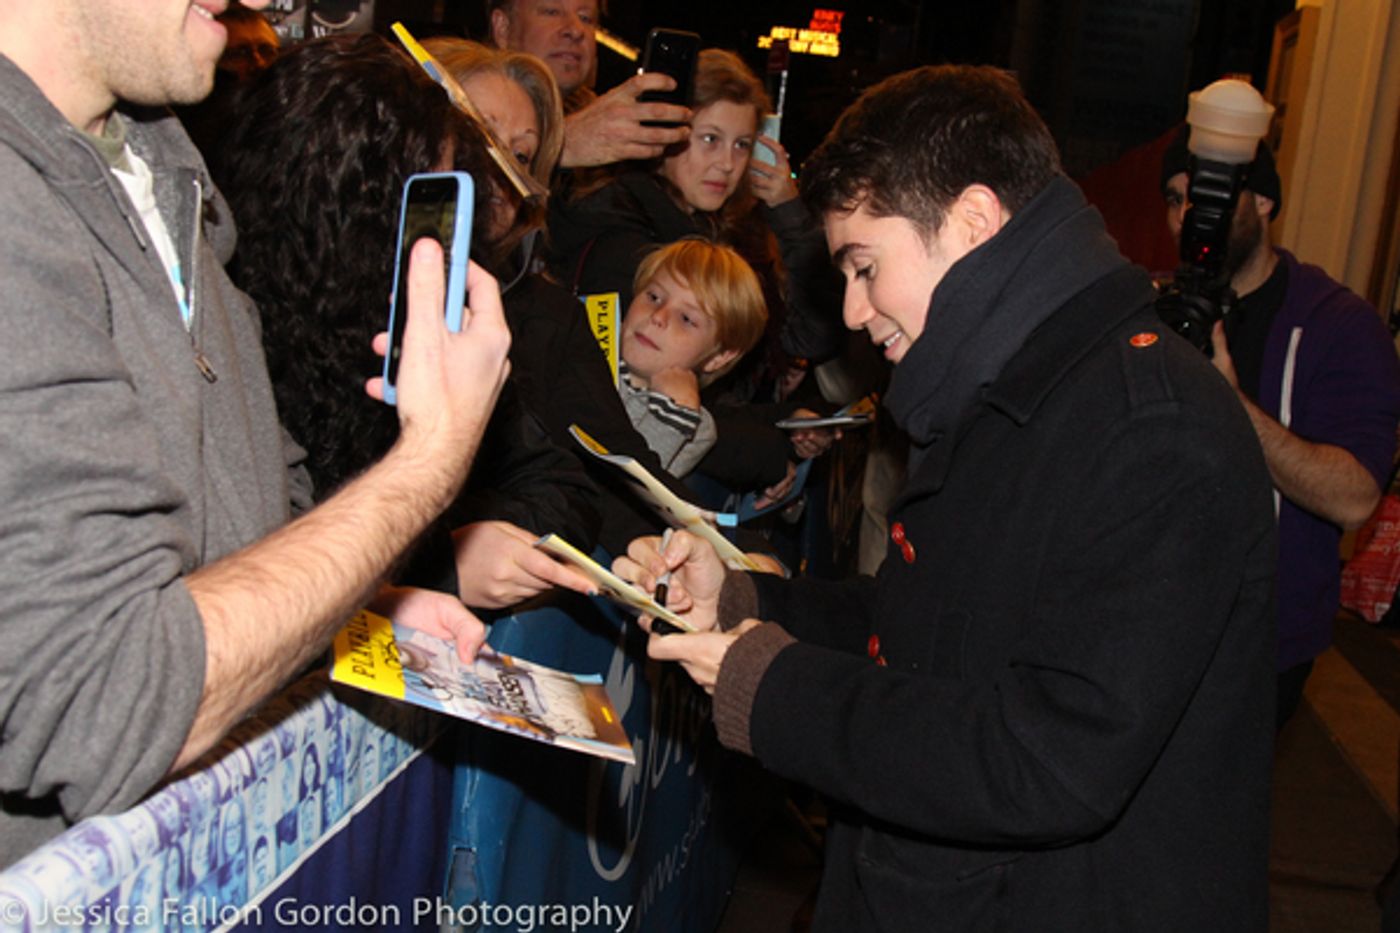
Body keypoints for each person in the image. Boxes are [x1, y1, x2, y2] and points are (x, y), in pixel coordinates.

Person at [616, 64, 1278, 931]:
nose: (852, 313)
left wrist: (775, 688)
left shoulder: (1153, 430)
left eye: (863, 267)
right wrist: (746, 595)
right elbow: (928, 629)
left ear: (971, 222)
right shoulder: (1017, 383)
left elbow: (1048, 757)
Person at [0, 0, 504, 867]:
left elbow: (255, 503)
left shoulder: (166, 172)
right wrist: (429, 460)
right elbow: (109, 698)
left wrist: (357, 608)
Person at [213, 34, 600, 609]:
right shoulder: (236, 328)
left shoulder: (444, 311)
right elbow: (254, 571)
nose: (442, 222)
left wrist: (464, 544)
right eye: (426, 188)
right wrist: (443, 565)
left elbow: (562, 486)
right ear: (353, 200)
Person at [1161, 129, 1400, 730]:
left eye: (1210, 196)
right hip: (1146, 621)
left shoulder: (1338, 326)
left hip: (1258, 644)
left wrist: (1229, 402)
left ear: (1263, 201)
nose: (1192, 216)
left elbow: (1353, 498)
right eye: (1175, 198)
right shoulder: (1154, 310)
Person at [549, 48, 843, 496]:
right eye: (710, 139)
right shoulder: (624, 235)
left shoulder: (720, 232)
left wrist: (786, 211)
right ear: (662, 136)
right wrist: (766, 445)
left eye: (742, 144)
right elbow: (633, 407)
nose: (727, 163)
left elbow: (806, 336)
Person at [618, 239, 767, 477]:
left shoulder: (696, 428)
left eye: (686, 319)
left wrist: (671, 418)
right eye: (654, 296)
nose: (659, 316)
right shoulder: (580, 350)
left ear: (719, 357)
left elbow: (622, 491)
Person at [484, 0, 691, 169]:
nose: (575, 30)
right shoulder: (461, 104)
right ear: (503, 28)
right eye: (551, 11)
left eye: (586, 18)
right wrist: (563, 144)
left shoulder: (612, 139)